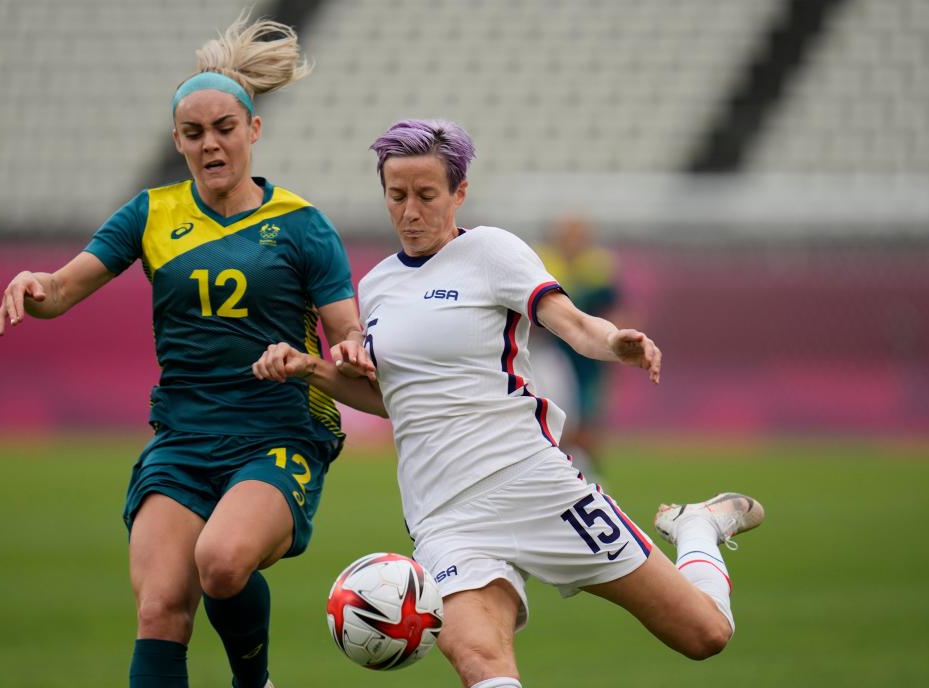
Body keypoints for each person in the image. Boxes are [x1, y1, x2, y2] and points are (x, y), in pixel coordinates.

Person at [252, 119, 764, 688]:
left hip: (532, 482)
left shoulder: (491, 252)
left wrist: (614, 342)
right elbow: (394, 399)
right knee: (480, 662)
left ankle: (697, 528)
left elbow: (571, 323)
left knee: (704, 635)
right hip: (444, 516)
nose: (410, 211)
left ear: (459, 192)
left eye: (426, 195)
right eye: (396, 196)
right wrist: (310, 369)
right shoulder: (374, 288)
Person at [0, 13, 378, 688]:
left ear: (253, 130)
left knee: (222, 563)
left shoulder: (301, 226)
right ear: (178, 141)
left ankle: (253, 682)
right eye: (194, 133)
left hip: (278, 434)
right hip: (184, 437)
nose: (210, 143)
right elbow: (61, 290)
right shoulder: (150, 213)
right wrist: (33, 285)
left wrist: (353, 353)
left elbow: (347, 334)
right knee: (161, 608)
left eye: (225, 128)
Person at [533, 215, 623, 479]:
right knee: (560, 420)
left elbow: (616, 307)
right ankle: (569, 475)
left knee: (587, 418)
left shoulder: (597, 267)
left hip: (588, 358)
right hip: (554, 356)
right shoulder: (543, 264)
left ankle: (587, 475)